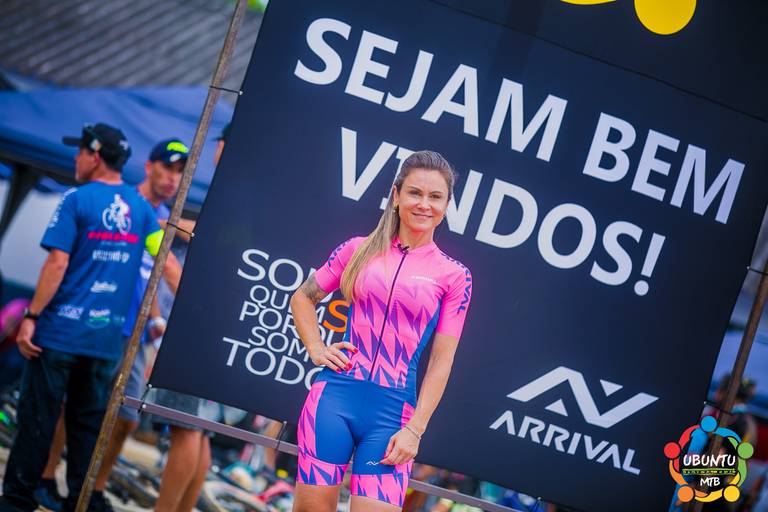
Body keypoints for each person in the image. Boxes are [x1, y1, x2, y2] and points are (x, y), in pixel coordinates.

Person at [289, 150, 473, 511]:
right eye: (415, 193)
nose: (424, 204)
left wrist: (415, 429)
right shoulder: (357, 249)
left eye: (435, 197)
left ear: (446, 205)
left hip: (392, 417)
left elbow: (442, 360)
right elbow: (303, 298)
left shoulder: (455, 276)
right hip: (333, 400)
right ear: (396, 195)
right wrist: (317, 348)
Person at [0, 123, 162, 512]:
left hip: (59, 334)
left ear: (95, 155)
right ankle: (79, 500)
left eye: (81, 152)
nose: (76, 158)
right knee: (87, 427)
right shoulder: (141, 209)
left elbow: (57, 263)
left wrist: (31, 316)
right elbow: (164, 258)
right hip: (104, 342)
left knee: (38, 420)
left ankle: (17, 502)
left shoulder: (77, 199)